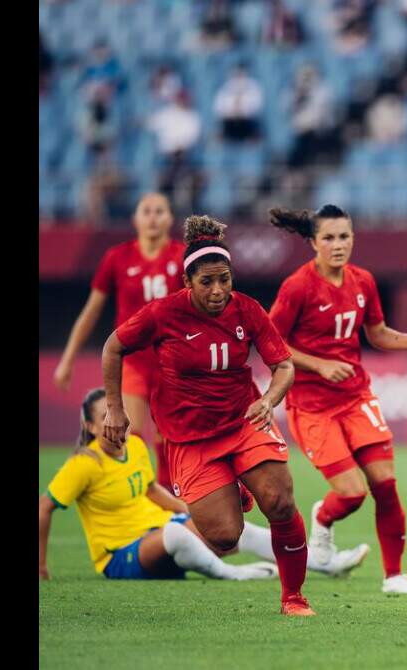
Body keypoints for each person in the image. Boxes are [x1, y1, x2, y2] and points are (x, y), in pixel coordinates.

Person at [100, 215, 315, 616]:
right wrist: (115, 408)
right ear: (188, 282)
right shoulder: (162, 314)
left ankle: (293, 597)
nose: (218, 291)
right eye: (207, 282)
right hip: (190, 440)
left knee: (281, 502)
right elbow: (113, 347)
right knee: (223, 536)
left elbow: (284, 365)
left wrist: (269, 399)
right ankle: (237, 488)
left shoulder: (247, 310)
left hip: (243, 422)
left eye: (225, 279)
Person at [268, 205, 407, 595]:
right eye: (328, 237)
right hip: (311, 406)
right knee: (352, 493)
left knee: (385, 483)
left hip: (355, 397)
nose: (338, 244)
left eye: (344, 236)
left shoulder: (363, 281)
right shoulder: (298, 287)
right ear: (313, 243)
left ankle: (394, 576)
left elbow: (376, 333)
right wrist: (320, 365)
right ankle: (322, 521)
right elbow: (270, 341)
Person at [39, 388, 278, 582]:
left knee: (230, 527)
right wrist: (40, 566)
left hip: (160, 532)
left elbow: (150, 490)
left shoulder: (134, 445)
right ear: (90, 427)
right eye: (105, 416)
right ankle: (233, 574)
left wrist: (191, 513)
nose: (115, 420)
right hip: (121, 555)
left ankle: (312, 560)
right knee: (175, 534)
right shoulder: (83, 463)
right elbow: (44, 508)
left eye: (118, 411)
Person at [55, 193, 185, 492]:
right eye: (146, 211)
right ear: (135, 219)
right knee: (132, 434)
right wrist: (67, 360)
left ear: (169, 219)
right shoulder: (117, 257)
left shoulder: (180, 256)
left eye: (160, 211)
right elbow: (91, 311)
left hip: (172, 361)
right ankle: (140, 502)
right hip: (132, 361)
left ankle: (171, 508)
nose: (153, 217)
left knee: (168, 439)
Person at [214, 63, 264, 143]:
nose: (239, 75)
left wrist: (242, 111)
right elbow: (218, 108)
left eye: (241, 73)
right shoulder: (226, 87)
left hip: (247, 121)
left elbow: (257, 107)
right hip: (229, 121)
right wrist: (232, 112)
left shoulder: (253, 87)